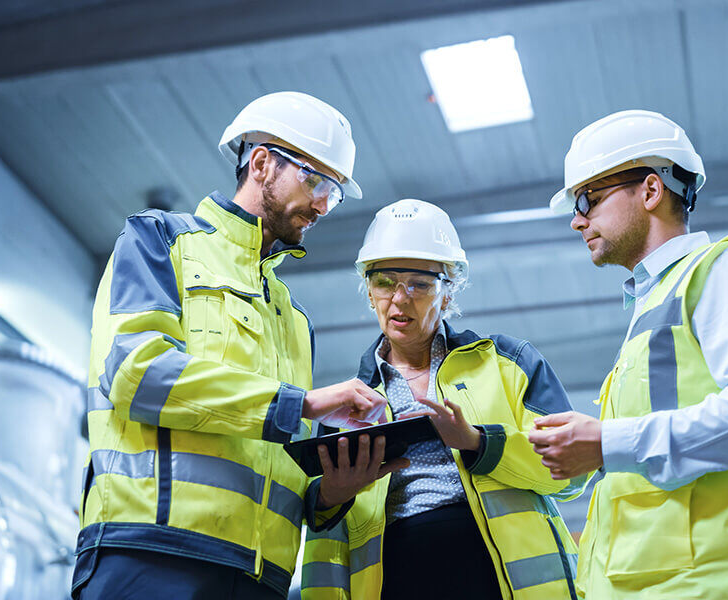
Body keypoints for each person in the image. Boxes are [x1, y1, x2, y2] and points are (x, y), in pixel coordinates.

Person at [72, 92, 401, 599]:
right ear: (263, 163)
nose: (321, 205)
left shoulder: (292, 317)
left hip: (258, 577)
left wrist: (329, 493)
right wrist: (301, 402)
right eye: (315, 181)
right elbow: (135, 373)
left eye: (332, 194)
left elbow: (280, 460)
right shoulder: (162, 241)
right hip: (153, 555)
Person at [527, 110, 728, 598]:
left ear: (651, 191)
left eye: (588, 199)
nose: (577, 220)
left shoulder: (725, 269)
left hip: (711, 586)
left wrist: (609, 443)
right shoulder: (654, 304)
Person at [300, 199, 588, 600]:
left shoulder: (509, 363)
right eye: (385, 282)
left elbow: (574, 471)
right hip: (397, 583)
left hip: (498, 582)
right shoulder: (342, 406)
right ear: (369, 292)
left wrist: (478, 443)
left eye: (419, 283)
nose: (400, 299)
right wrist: (333, 494)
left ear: (449, 293)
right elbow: (319, 532)